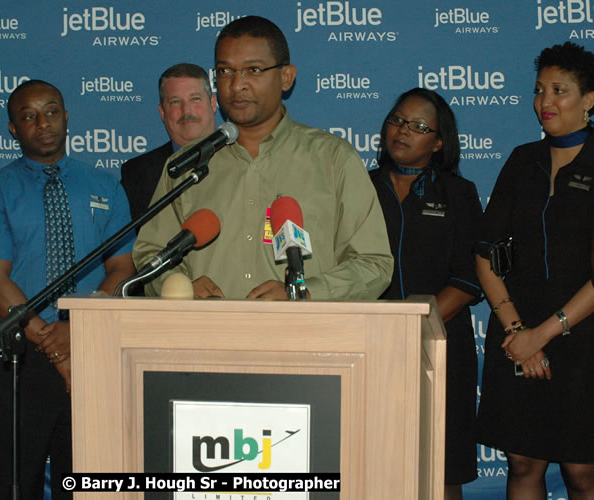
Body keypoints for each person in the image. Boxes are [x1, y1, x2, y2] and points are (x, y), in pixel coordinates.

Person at [134, 16, 392, 300]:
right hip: (205, 336)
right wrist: (180, 288)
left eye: (253, 70)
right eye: (225, 71)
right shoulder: (187, 164)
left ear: (286, 77)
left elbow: (373, 264)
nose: (237, 84)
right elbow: (151, 254)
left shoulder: (333, 159)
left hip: (305, 337)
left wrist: (302, 293)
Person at [0, 79, 135, 500]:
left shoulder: (105, 185)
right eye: (28, 116)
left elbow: (122, 266)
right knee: (9, 484)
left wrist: (78, 325)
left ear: (66, 117)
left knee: (90, 483)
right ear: (12, 128)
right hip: (17, 353)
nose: (42, 123)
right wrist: (53, 341)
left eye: (51, 111)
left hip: (92, 347)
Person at [475, 42, 594, 499]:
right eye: (539, 90)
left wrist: (541, 336)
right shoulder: (522, 160)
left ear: (589, 100)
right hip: (516, 330)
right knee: (523, 463)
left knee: (582, 472)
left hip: (581, 338)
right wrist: (518, 331)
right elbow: (486, 253)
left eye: (560, 90)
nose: (545, 102)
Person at [369, 88, 481, 499]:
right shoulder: (360, 189)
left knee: (441, 469)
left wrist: (413, 328)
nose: (403, 131)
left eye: (418, 127)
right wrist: (386, 333)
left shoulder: (458, 194)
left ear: (437, 142)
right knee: (372, 460)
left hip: (440, 348)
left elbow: (470, 276)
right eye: (397, 120)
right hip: (371, 348)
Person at [120, 63, 217, 225]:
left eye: (195, 99)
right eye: (175, 102)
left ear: (213, 103)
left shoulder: (243, 161)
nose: (187, 111)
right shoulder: (136, 174)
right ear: (162, 112)